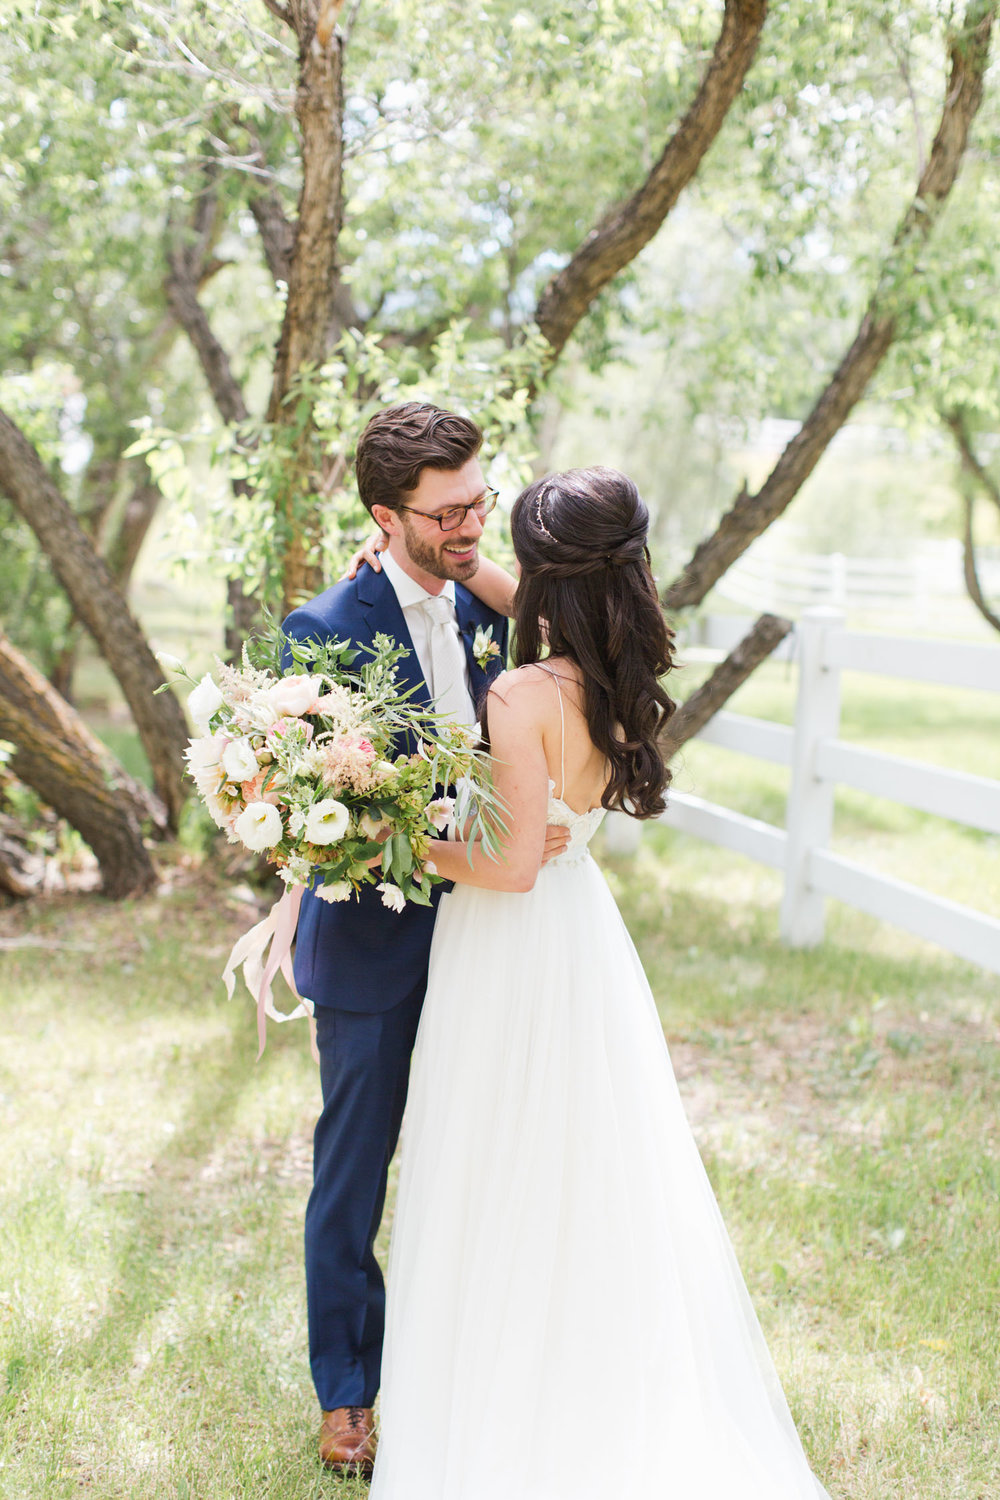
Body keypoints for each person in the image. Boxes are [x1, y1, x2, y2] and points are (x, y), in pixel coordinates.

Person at [364, 466, 831, 1499]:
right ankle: (597, 1379)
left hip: (510, 944)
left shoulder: (519, 693)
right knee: (587, 1165)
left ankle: (497, 1405)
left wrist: (392, 832)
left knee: (492, 1157)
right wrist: (485, 567)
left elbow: (511, 865)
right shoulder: (618, 672)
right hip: (586, 944)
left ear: (545, 581)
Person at [281, 402, 568, 1474]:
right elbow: (330, 824)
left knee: (484, 1159)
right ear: (381, 516)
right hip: (371, 950)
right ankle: (348, 1393)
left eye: (477, 503)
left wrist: (482, 568)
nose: (469, 526)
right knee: (353, 1173)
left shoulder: (494, 611)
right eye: (446, 513)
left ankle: (473, 1366)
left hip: (492, 939)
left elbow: (574, 625)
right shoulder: (323, 632)